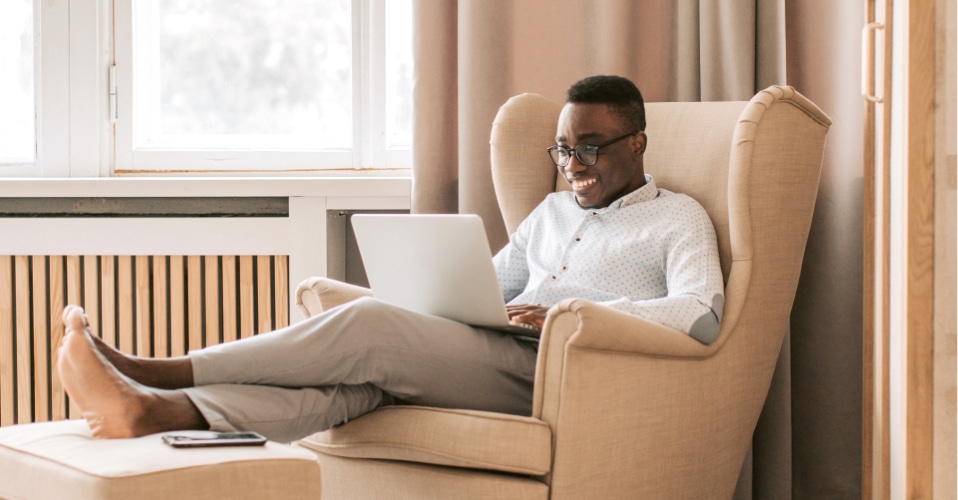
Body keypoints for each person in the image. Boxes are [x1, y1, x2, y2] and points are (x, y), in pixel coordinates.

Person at [57, 75, 724, 443]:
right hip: (500, 354)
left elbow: (702, 316)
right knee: (358, 388)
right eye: (563, 150)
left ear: (637, 145)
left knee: (371, 328)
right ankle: (157, 414)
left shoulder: (677, 217)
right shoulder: (548, 215)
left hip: (570, 372)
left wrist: (578, 313)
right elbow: (488, 291)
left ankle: (163, 371)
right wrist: (447, 296)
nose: (573, 164)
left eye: (591, 147)